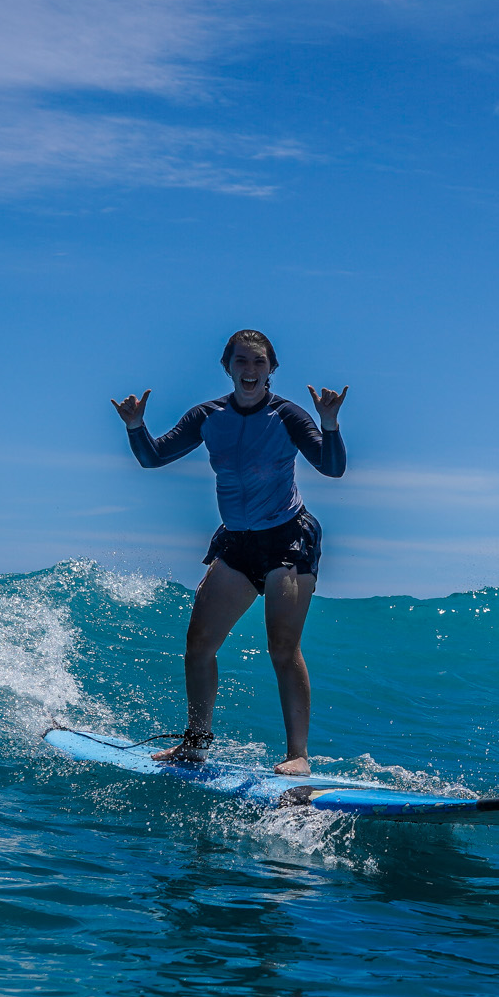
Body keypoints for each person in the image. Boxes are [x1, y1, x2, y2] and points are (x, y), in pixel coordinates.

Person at [110, 329, 347, 776]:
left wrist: (330, 424)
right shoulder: (208, 415)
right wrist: (135, 426)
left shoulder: (288, 416)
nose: (250, 370)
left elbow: (332, 468)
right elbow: (154, 458)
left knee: (282, 646)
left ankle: (298, 754)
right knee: (198, 644)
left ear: (271, 369)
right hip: (237, 542)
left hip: (288, 539)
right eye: (241, 361)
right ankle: (196, 744)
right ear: (228, 367)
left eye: (258, 362)